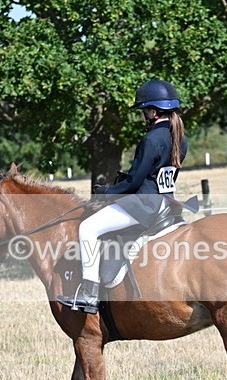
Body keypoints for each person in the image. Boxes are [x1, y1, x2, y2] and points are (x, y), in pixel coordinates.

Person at [56, 78, 188, 314]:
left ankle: (88, 292)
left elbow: (135, 181)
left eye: (144, 111)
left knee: (87, 227)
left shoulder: (150, 139)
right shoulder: (180, 138)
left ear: (153, 111)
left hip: (145, 206)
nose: (143, 116)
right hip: (167, 205)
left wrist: (106, 193)